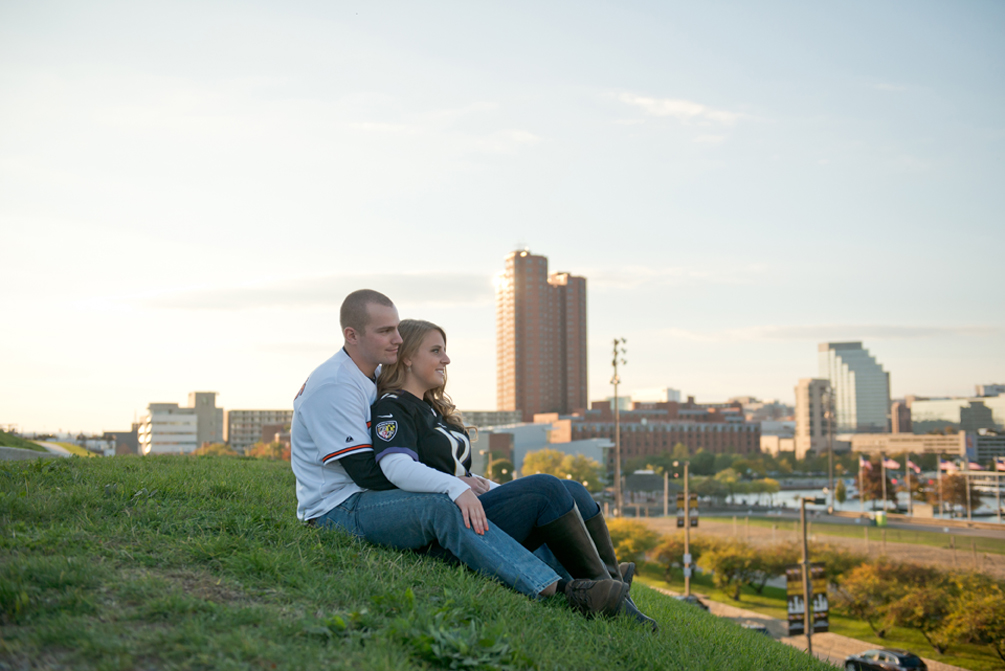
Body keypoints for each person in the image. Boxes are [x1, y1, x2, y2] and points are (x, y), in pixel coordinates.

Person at [291, 289, 629, 618]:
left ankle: (605, 580)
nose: (397, 338)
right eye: (385, 331)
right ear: (351, 335)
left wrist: (461, 481)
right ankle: (561, 591)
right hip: (338, 507)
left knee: (558, 491)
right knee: (442, 504)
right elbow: (365, 472)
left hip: (369, 495)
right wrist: (452, 484)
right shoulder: (335, 383)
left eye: (396, 328)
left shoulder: (376, 370)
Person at [370, 318, 657, 629]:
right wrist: (454, 485)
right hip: (449, 532)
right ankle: (605, 593)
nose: (446, 359)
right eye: (436, 350)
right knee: (546, 488)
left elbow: (467, 477)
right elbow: (395, 466)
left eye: (445, 351)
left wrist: (489, 487)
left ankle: (613, 586)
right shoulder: (393, 406)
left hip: (473, 511)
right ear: (408, 356)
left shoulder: (433, 409)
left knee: (571, 489)